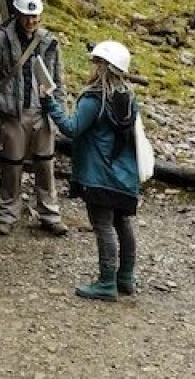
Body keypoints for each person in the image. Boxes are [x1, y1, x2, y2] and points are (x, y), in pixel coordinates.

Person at [41, 40, 141, 301]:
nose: (93, 66)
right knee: (122, 223)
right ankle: (126, 278)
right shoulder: (129, 98)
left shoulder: (95, 99)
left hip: (99, 175)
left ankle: (106, 282)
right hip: (125, 175)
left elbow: (72, 128)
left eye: (96, 62)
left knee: (103, 225)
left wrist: (49, 102)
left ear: (104, 67)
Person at [0, 0, 67, 236]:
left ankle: (50, 214)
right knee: (11, 165)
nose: (31, 21)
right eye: (26, 16)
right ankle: (7, 214)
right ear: (17, 14)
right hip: (12, 113)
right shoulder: (1, 39)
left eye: (35, 16)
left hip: (43, 112)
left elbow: (59, 80)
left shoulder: (50, 41)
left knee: (45, 165)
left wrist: (60, 114)